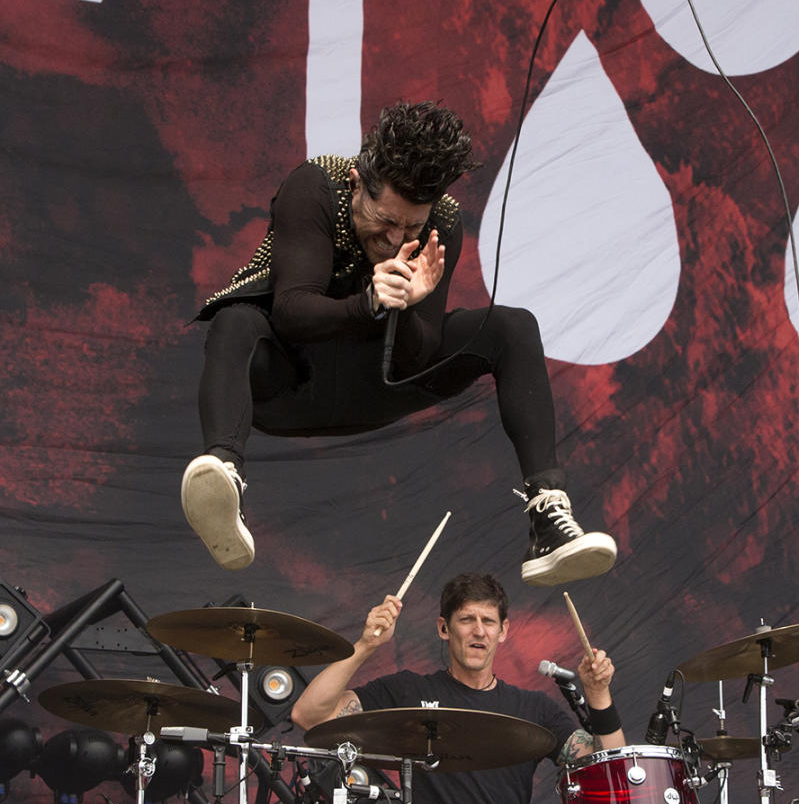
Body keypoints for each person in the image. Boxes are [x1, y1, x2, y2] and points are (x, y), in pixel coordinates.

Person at [180, 101, 616, 586]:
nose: (394, 239)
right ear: (354, 183)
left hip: (377, 384)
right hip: (290, 383)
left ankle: (547, 518)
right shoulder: (315, 187)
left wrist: (407, 304)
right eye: (385, 221)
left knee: (513, 326)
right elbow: (291, 311)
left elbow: (416, 355)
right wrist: (367, 301)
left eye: (410, 227)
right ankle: (222, 482)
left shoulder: (443, 221)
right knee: (235, 321)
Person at [289, 572, 625, 804]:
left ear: (503, 631)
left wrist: (598, 695)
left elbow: (610, 773)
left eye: (488, 621)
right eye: (467, 619)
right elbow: (309, 715)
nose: (479, 631)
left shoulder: (534, 708)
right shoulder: (409, 691)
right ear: (444, 628)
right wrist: (365, 645)